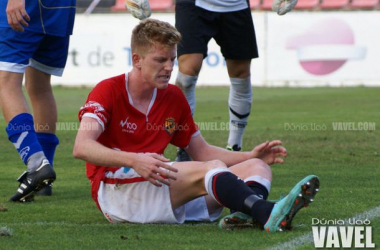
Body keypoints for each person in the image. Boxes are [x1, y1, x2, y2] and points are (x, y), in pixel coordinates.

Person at [73, 19, 319, 232]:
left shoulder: (173, 97)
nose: (169, 68)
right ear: (136, 59)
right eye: (160, 60)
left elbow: (201, 152)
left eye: (172, 59)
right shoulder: (109, 90)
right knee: (210, 169)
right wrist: (134, 160)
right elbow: (82, 147)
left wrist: (249, 155)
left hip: (156, 182)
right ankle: (267, 213)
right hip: (114, 190)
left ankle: (245, 217)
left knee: (256, 168)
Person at [0, 0, 151, 202]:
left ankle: (36, 164)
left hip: (28, 6)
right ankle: (44, 172)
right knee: (39, 86)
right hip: (61, 10)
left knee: (7, 82)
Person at [174, 0, 298, 161]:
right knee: (187, 75)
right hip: (193, 5)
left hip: (235, 5)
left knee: (240, 74)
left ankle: (234, 147)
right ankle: (185, 148)